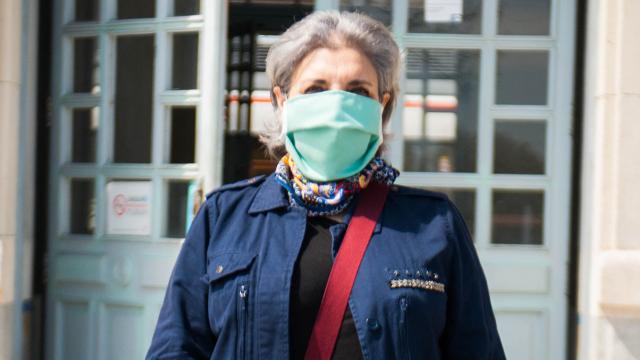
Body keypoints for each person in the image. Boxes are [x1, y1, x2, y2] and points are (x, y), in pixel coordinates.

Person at [146, 10, 506, 360]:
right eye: (316, 89)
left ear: (383, 106)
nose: (336, 106)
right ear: (281, 101)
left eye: (357, 91)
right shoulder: (224, 216)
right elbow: (177, 348)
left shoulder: (434, 224)